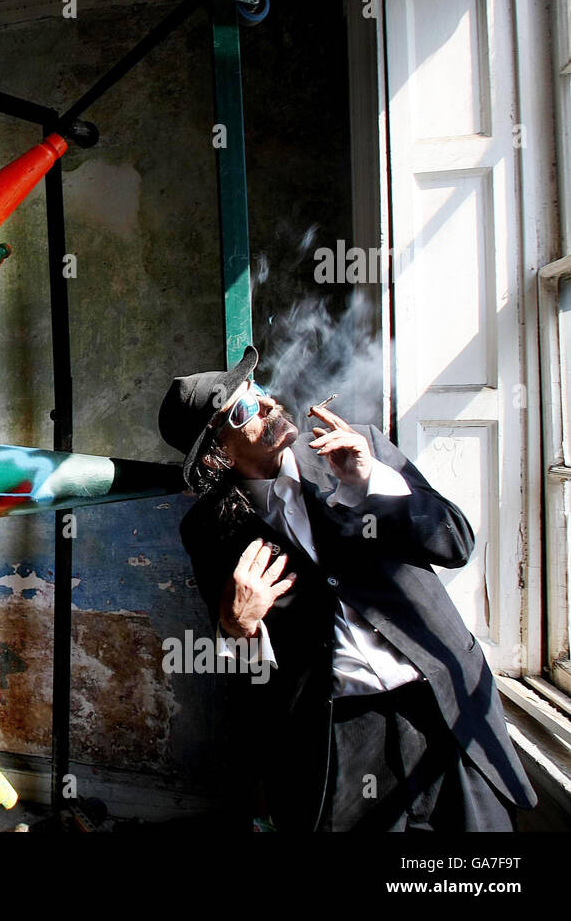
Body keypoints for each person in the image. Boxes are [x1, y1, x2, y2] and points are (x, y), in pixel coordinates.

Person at [158, 345, 536, 831]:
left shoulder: (363, 447)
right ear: (217, 454)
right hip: (340, 733)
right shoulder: (211, 530)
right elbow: (247, 668)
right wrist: (238, 625)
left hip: (441, 706)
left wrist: (371, 482)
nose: (271, 405)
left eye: (261, 391)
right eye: (246, 410)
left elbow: (455, 542)